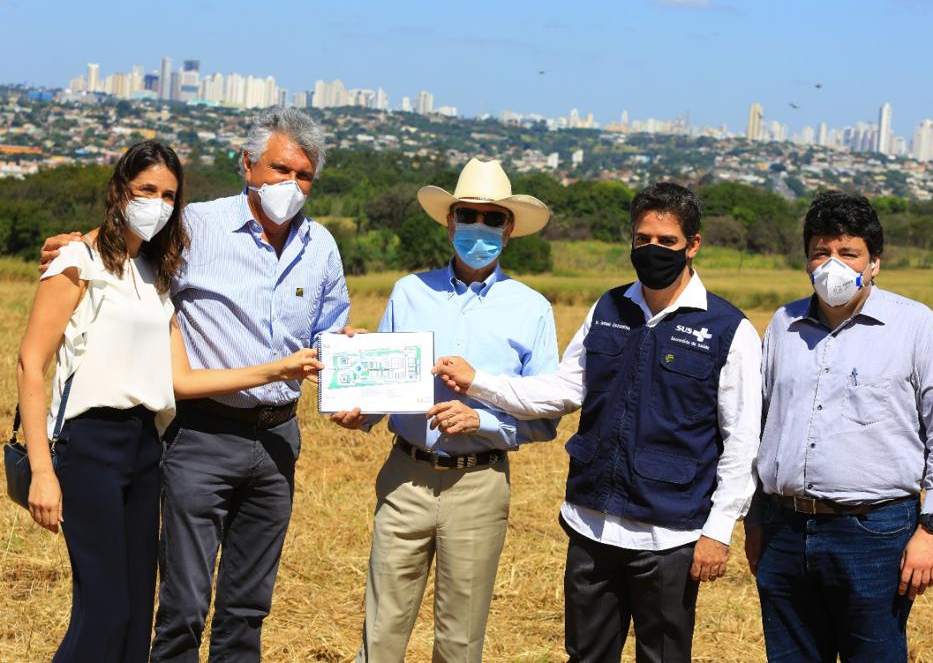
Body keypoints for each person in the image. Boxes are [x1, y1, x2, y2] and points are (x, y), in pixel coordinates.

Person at [39, 108, 351, 662]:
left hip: (278, 440)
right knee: (181, 605)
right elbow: (122, 253)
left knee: (248, 607)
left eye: (303, 176)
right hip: (201, 437)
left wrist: (357, 384)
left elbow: (331, 336)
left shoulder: (321, 247)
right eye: (280, 169)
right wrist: (69, 247)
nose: (291, 185)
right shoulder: (195, 227)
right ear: (248, 164)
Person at [434, 182, 762, 662]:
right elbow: (563, 389)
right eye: (642, 239)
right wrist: (478, 382)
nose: (652, 250)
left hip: (669, 534)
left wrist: (718, 530)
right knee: (586, 655)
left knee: (664, 656)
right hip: (592, 524)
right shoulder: (608, 309)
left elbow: (741, 441)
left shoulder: (729, 330)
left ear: (693, 245)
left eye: (667, 242)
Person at [332, 158, 560, 661]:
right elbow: (386, 386)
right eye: (468, 215)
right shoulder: (409, 291)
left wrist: (486, 420)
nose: (479, 226)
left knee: (459, 641)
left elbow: (546, 415)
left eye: (492, 217)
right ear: (449, 221)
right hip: (405, 477)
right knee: (381, 631)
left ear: (510, 228)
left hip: (478, 486)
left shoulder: (532, 308)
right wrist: (357, 401)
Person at [743, 190, 933, 663]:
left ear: (874, 263)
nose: (833, 264)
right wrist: (755, 519)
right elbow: (758, 425)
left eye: (848, 253)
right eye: (821, 252)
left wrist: (932, 527)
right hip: (785, 529)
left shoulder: (914, 327)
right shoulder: (783, 325)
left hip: (875, 533)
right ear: (806, 260)